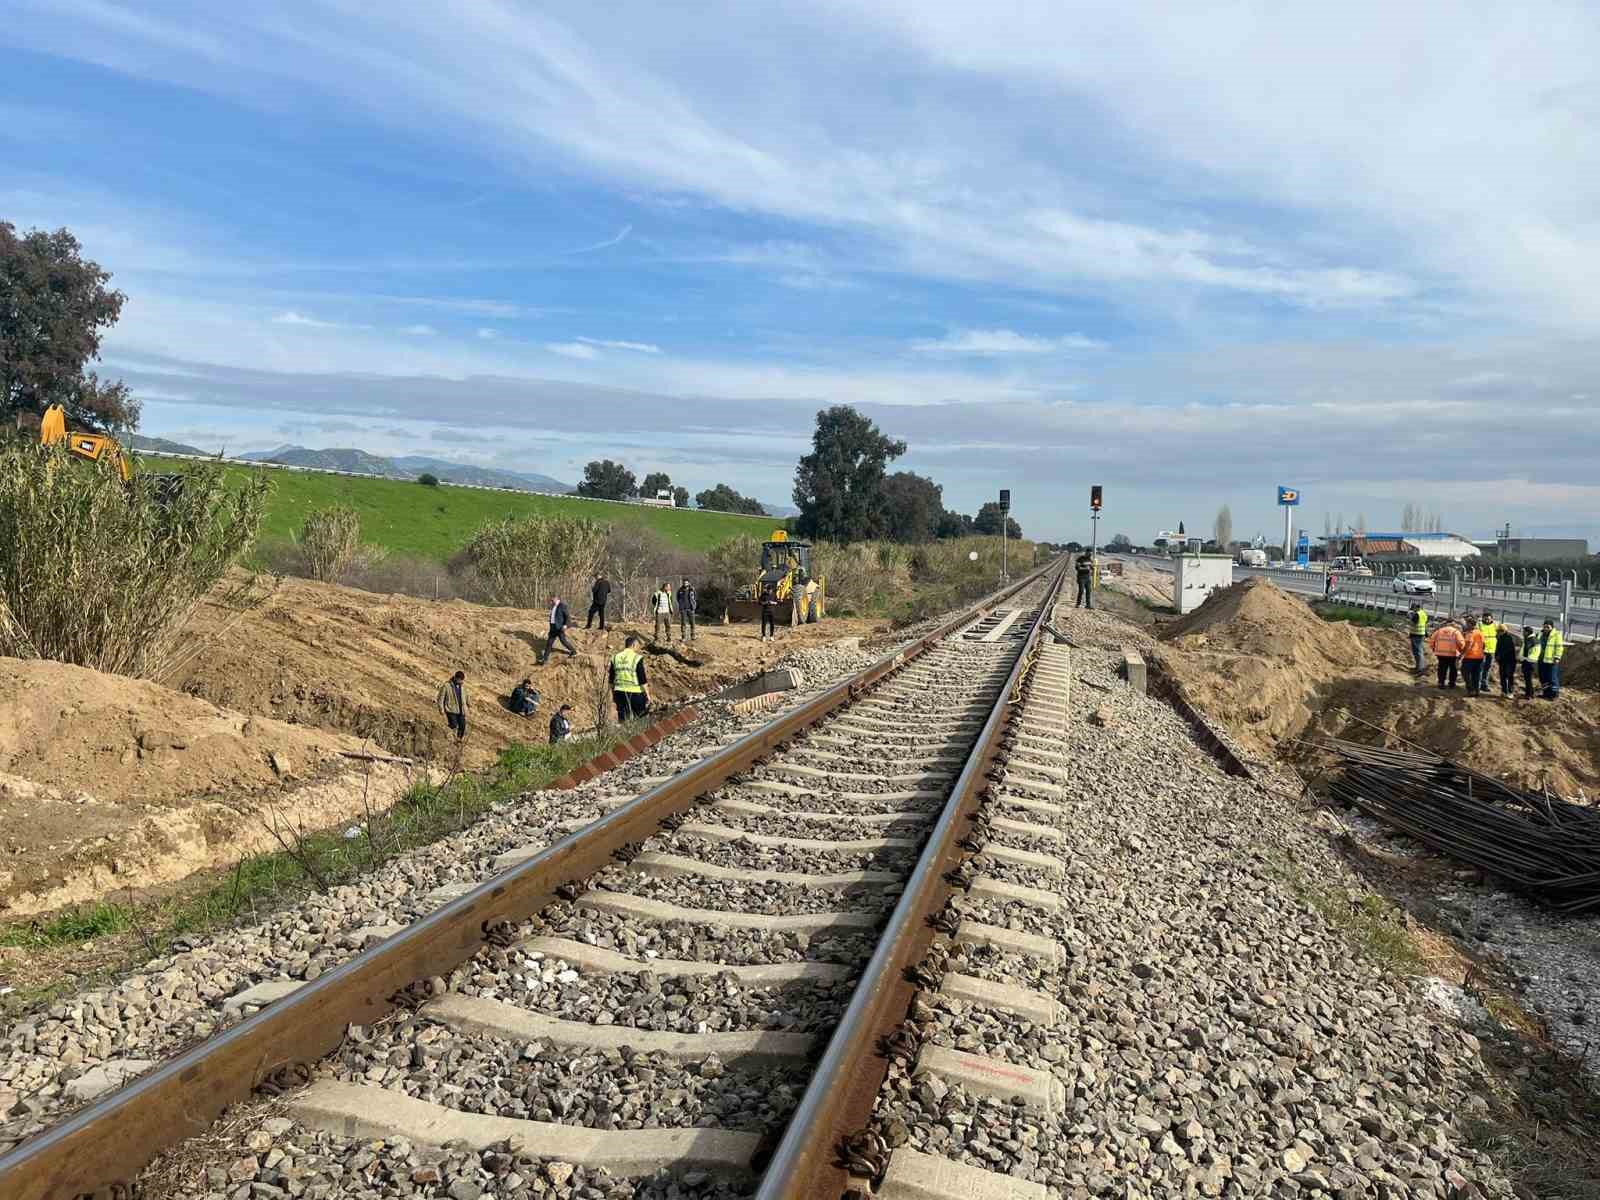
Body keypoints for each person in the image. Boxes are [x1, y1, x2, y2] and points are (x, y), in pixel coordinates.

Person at [609, 634, 649, 721]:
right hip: (635, 692)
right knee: (641, 719)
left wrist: (613, 694)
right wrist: (648, 695)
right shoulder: (637, 658)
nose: (638, 648)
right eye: (637, 646)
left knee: (623, 719)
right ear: (633, 645)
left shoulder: (615, 657)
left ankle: (625, 734)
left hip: (619, 692)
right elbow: (642, 678)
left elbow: (611, 679)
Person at [1428, 620, 1463, 690]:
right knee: (1453, 669)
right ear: (1453, 625)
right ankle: (1451, 683)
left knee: (1442, 668)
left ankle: (1441, 683)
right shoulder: (1456, 632)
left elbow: (1431, 641)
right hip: (1453, 654)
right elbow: (1461, 643)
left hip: (1441, 654)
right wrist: (1461, 651)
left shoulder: (1438, 631)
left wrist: (1434, 650)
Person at [1537, 618, 1564, 699]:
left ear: (1552, 627)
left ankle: (1554, 694)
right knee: (1543, 677)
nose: (1546, 629)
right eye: (1544, 627)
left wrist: (1557, 657)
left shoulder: (1556, 635)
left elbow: (1559, 647)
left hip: (1551, 660)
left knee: (1552, 678)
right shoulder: (1540, 634)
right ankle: (1546, 693)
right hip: (1541, 660)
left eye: (1548, 627)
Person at [436, 670, 467, 740]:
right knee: (453, 725)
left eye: (462, 680)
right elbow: (440, 698)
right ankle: (449, 737)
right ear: (456, 678)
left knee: (463, 726)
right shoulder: (446, 686)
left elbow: (466, 697)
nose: (461, 681)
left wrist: (468, 705)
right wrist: (441, 709)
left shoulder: (462, 687)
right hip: (451, 709)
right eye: (460, 680)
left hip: (461, 710)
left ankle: (459, 740)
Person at [1460, 619, 1486, 695]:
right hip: (1480, 657)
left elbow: (1468, 646)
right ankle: (1476, 690)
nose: (1466, 625)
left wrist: (1462, 656)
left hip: (1470, 657)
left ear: (1471, 625)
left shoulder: (1470, 634)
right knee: (1476, 674)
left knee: (1465, 672)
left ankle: (1470, 689)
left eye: (1467, 624)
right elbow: (1484, 644)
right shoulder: (1480, 633)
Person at [1494, 622, 1519, 698]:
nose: (1498, 633)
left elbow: (1508, 650)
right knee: (1503, 676)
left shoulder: (1509, 638)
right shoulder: (1500, 638)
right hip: (1502, 661)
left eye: (1500, 631)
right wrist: (1497, 656)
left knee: (1509, 676)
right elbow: (1497, 649)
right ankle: (1504, 691)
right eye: (1498, 631)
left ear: (1503, 631)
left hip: (1510, 661)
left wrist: (1499, 656)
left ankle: (1510, 691)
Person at [1478, 612, 1498, 695]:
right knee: (1480, 668)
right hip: (1482, 650)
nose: (1486, 620)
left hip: (1492, 650)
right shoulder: (1479, 625)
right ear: (1482, 618)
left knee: (1487, 668)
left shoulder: (1495, 625)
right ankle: (1478, 685)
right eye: (1485, 618)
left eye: (1488, 618)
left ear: (1492, 619)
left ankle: (1484, 685)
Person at [1407, 604, 1429, 675]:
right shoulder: (1423, 613)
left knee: (1417, 652)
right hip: (1421, 634)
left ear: (1416, 608)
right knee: (1419, 651)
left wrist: (1410, 616)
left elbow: (1414, 623)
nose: (1413, 610)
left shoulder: (1417, 614)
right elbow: (1424, 623)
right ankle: (1419, 667)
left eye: (1413, 609)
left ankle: (1420, 668)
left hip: (1416, 634)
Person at [1519, 625, 1540, 700]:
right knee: (1528, 679)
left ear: (1527, 632)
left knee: (1528, 679)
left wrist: (1522, 659)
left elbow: (1526, 650)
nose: (1522, 633)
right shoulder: (1535, 639)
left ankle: (1529, 694)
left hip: (1528, 662)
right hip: (1532, 662)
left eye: (1524, 632)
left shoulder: (1530, 640)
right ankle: (1529, 693)